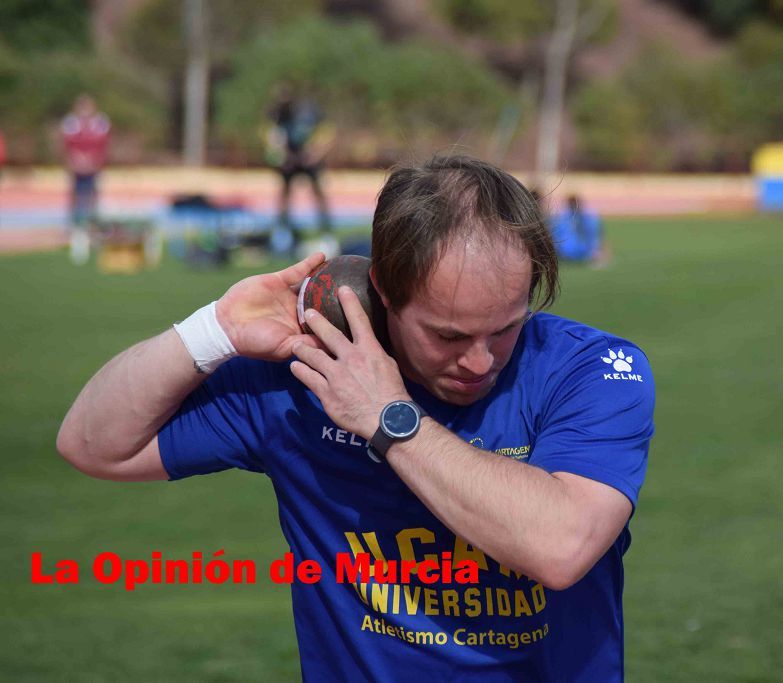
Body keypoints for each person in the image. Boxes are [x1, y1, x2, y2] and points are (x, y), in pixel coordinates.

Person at [57, 155, 655, 681]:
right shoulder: (307, 376)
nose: (478, 360)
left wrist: (390, 419)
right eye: (447, 334)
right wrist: (214, 330)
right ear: (383, 292)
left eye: (505, 327)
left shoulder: (594, 370)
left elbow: (561, 546)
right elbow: (95, 445)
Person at [266, 85, 333, 235]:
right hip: (290, 159)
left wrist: (315, 153)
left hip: (309, 158)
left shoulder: (309, 111)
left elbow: (326, 132)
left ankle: (325, 226)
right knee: (285, 193)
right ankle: (283, 226)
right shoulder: (277, 112)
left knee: (318, 192)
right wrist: (282, 155)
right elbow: (273, 136)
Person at [61, 94, 110, 228]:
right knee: (76, 193)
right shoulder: (71, 123)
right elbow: (67, 145)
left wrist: (96, 162)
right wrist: (73, 161)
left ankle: (93, 222)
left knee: (92, 193)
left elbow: (103, 144)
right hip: (76, 165)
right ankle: (74, 222)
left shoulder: (100, 123)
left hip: (93, 165)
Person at [550, 194, 611, 267]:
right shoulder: (589, 217)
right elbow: (596, 235)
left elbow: (555, 236)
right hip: (583, 252)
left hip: (564, 252)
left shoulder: (561, 217)